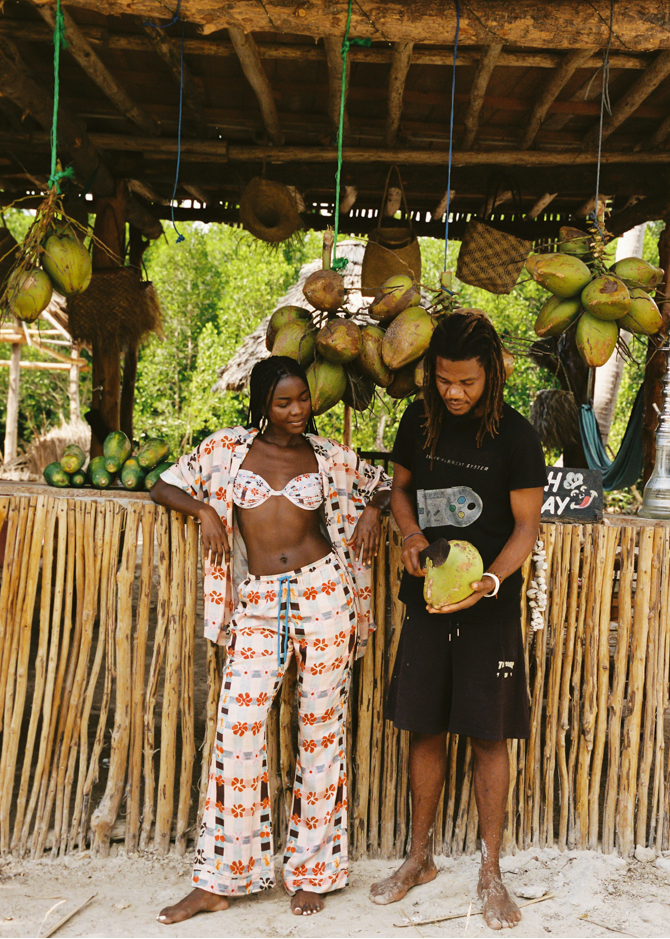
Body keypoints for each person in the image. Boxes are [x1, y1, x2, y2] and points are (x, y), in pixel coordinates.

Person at [152, 356, 391, 923]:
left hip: (324, 593)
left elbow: (386, 484)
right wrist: (205, 510)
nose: (297, 410)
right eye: (284, 402)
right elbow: (163, 486)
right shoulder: (225, 451)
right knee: (236, 730)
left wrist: (373, 514)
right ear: (262, 403)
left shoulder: (329, 455)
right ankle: (220, 880)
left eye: (303, 399)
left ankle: (312, 873)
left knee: (321, 730)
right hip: (258, 601)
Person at [370, 311, 546, 930]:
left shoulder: (517, 438)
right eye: (444, 380)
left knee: (488, 736)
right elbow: (400, 491)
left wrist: (490, 582)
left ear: (491, 373)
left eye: (467, 382)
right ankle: (419, 858)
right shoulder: (418, 421)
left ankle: (490, 870)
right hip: (427, 602)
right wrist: (411, 535)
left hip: (488, 606)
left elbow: (526, 526)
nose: (454, 392)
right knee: (423, 727)